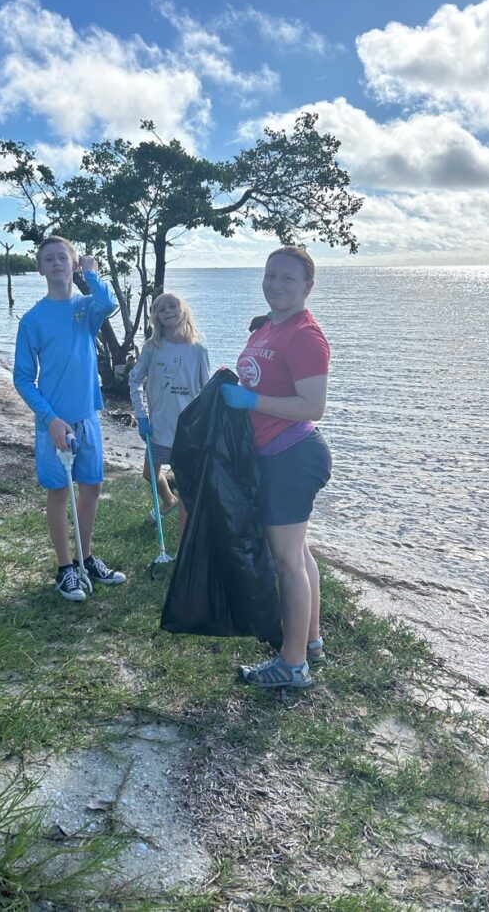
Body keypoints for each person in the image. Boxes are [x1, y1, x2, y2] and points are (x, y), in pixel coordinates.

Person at [221, 246, 332, 690]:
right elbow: (260, 375)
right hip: (275, 455)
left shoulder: (305, 336)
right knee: (299, 554)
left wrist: (251, 401)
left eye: (287, 278)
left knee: (287, 560)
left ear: (308, 286)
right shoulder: (269, 327)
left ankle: (292, 664)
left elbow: (314, 405)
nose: (276, 284)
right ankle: (312, 642)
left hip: (292, 455)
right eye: (270, 275)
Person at [13, 236, 127, 602]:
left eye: (63, 257)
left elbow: (108, 302)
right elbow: (22, 378)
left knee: (92, 486)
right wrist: (50, 419)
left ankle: (86, 558)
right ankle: (65, 569)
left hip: (87, 416)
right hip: (53, 423)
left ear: (73, 264)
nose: (56, 263)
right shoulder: (32, 320)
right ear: (40, 268)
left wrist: (91, 274)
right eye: (49, 258)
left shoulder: (85, 308)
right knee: (59, 492)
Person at [129, 293, 210, 541]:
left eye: (172, 307)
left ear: (183, 309)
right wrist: (141, 416)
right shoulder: (152, 348)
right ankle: (168, 500)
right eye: (161, 309)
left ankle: (184, 544)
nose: (168, 312)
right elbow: (135, 380)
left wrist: (205, 426)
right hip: (159, 426)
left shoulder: (198, 349)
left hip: (187, 431)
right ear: (156, 317)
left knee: (188, 486)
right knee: (149, 474)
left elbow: (206, 390)